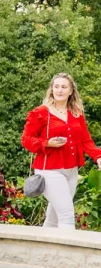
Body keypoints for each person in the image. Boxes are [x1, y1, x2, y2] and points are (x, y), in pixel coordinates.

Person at [21, 73, 101, 229]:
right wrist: (47, 143)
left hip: (71, 171)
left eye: (64, 87)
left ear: (71, 91)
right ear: (51, 89)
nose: (59, 90)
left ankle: (41, 252)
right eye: (56, 86)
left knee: (54, 218)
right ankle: (69, 254)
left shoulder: (76, 113)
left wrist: (98, 157)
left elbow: (85, 140)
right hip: (49, 170)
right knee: (66, 216)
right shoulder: (41, 113)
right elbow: (26, 139)